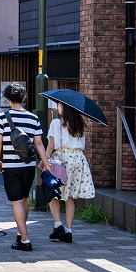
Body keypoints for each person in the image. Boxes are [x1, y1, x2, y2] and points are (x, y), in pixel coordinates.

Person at [0, 82, 46, 252]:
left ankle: (25, 239)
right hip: (29, 165)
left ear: (7, 99)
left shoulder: (2, 117)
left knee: (15, 202)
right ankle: (20, 232)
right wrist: (46, 162)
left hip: (11, 166)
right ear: (24, 98)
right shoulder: (33, 117)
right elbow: (38, 143)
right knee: (23, 199)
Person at [42, 102, 94, 244]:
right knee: (70, 196)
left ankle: (58, 225)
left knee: (53, 192)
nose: (58, 107)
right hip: (78, 160)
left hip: (62, 160)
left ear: (64, 107)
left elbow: (51, 146)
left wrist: (45, 160)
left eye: (59, 105)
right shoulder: (79, 124)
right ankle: (69, 231)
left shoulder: (56, 123)